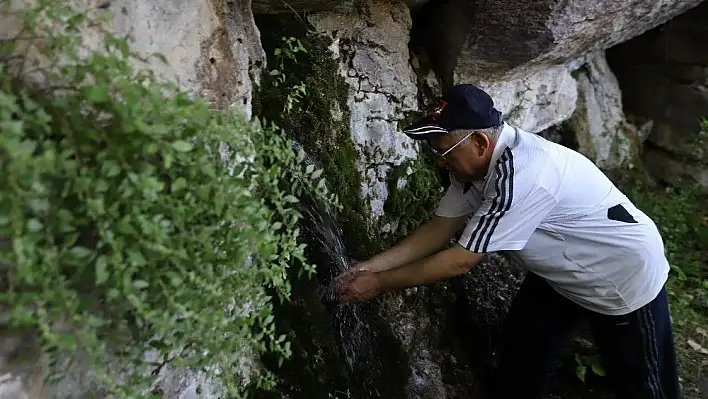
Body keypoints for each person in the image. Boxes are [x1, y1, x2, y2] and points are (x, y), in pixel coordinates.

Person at [331, 83, 681, 399]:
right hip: (562, 270)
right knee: (524, 349)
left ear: (480, 143)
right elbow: (438, 229)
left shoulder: (523, 175)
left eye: (443, 152)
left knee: (643, 384)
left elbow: (460, 260)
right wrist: (366, 267)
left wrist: (377, 284)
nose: (439, 161)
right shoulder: (471, 168)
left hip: (620, 274)